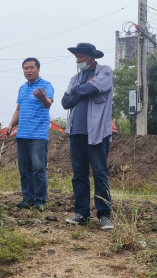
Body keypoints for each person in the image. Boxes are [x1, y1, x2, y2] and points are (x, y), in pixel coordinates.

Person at [61, 42, 114, 230]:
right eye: (76, 57)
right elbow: (65, 102)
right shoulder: (76, 78)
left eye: (81, 57)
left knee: (100, 174)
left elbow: (88, 90)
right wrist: (83, 89)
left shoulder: (105, 72)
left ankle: (105, 215)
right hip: (76, 132)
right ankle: (81, 214)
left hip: (98, 133)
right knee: (79, 175)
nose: (78, 60)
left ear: (91, 57)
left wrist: (81, 90)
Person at [7, 57, 54, 211]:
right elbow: (18, 110)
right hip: (22, 135)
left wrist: (42, 98)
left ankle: (40, 200)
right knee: (24, 169)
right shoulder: (22, 88)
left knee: (38, 168)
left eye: (31, 67)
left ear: (38, 69)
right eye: (25, 68)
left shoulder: (46, 86)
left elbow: (48, 104)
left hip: (38, 136)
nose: (28, 70)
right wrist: (10, 125)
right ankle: (27, 199)